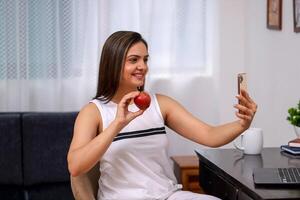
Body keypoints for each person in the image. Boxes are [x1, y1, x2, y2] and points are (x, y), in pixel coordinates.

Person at [67, 31, 257, 200]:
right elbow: (76, 167)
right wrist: (117, 124)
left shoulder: (160, 104)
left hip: (167, 195)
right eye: (134, 60)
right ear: (114, 64)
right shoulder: (93, 112)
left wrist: (242, 124)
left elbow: (209, 135)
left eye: (145, 59)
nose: (143, 66)